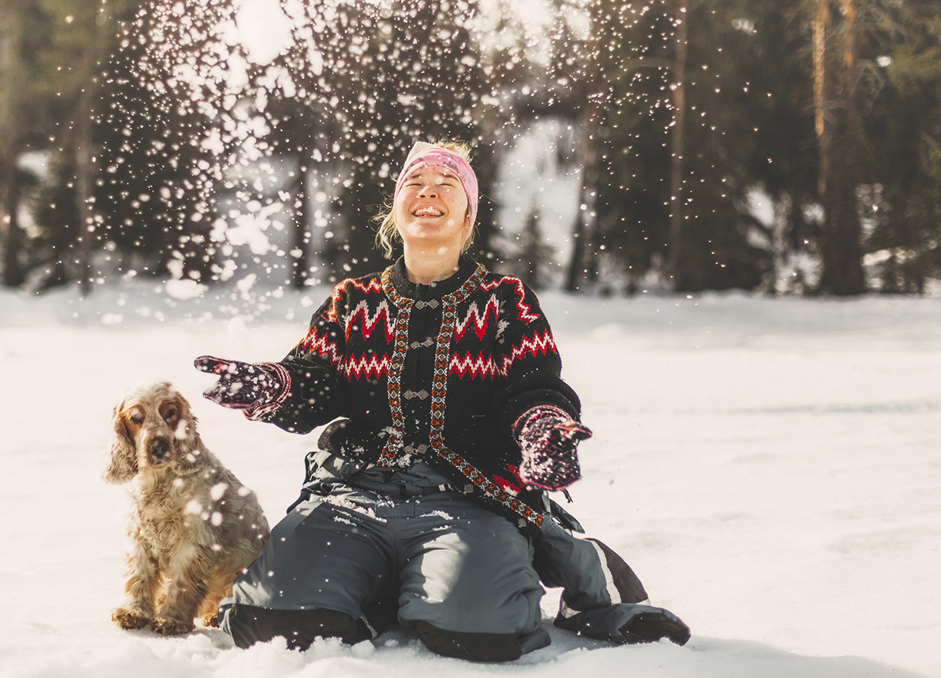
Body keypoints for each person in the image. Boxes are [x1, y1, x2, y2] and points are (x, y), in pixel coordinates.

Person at [195, 141, 690, 662]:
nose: (428, 191)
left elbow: (535, 387)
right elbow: (314, 380)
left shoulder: (506, 301)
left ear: (467, 214)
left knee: (480, 629)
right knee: (273, 620)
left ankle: (503, 570)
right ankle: (383, 581)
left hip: (468, 500)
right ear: (395, 208)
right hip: (354, 496)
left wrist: (542, 428)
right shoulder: (353, 302)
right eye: (414, 182)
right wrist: (272, 385)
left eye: (446, 184)